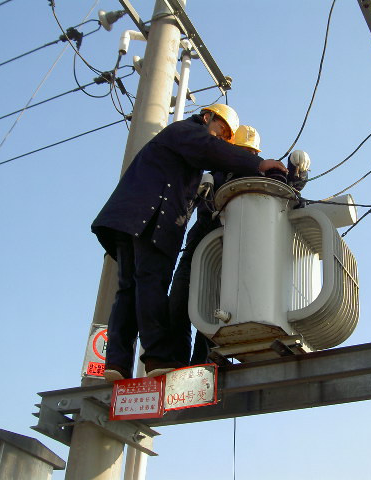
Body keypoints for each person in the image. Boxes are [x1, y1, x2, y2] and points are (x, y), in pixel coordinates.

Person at [91, 104, 288, 381]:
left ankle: (117, 362)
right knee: (151, 283)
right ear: (207, 117)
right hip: (150, 219)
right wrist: (259, 165)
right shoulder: (187, 131)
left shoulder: (183, 148)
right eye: (221, 130)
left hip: (126, 219)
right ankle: (158, 357)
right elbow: (209, 148)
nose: (221, 138)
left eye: (227, 137)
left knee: (129, 289)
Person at [168, 125, 311, 366]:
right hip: (204, 241)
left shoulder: (258, 173)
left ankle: (203, 363)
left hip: (235, 249)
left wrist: (298, 173)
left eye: (251, 152)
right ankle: (176, 361)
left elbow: (285, 190)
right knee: (181, 300)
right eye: (244, 150)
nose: (248, 156)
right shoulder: (215, 174)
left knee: (217, 306)